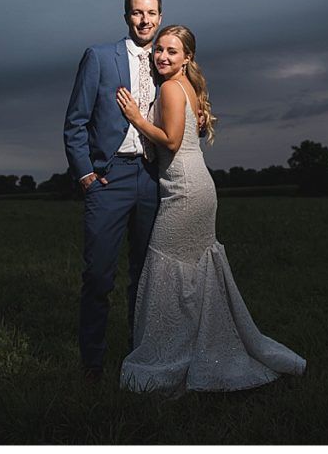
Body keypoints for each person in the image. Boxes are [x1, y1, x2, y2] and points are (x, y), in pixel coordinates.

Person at [116, 25, 306, 394]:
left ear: (187, 58)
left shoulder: (171, 87)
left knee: (168, 269)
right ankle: (200, 347)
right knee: (192, 273)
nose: (163, 56)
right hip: (195, 185)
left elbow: (171, 140)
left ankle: (172, 355)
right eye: (159, 50)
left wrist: (137, 119)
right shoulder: (186, 86)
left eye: (173, 51)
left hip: (185, 191)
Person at [63, 0, 163, 382]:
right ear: (126, 16)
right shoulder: (100, 57)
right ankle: (92, 365)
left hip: (153, 178)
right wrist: (87, 174)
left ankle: (140, 360)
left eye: (152, 12)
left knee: (147, 277)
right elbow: (75, 122)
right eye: (137, 12)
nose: (145, 20)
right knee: (100, 276)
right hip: (110, 177)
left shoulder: (165, 60)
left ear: (160, 15)